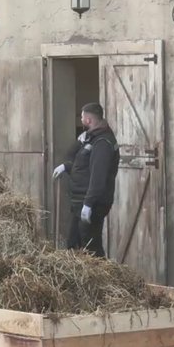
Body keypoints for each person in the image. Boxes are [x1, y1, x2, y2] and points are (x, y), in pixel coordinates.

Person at [52, 102, 119, 258]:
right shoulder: (91, 138)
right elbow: (75, 159)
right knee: (74, 244)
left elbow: (98, 176)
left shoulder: (103, 143)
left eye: (82, 117)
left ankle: (103, 279)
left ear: (88, 120)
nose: (80, 119)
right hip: (80, 201)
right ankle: (79, 280)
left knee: (91, 248)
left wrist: (89, 203)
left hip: (92, 204)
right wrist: (67, 166)